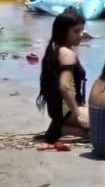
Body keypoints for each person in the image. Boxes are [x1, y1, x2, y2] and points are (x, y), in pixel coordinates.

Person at [36, 11, 88, 143]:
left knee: (100, 128)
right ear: (63, 32)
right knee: (104, 128)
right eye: (76, 31)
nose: (81, 34)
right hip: (66, 110)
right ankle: (62, 129)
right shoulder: (66, 54)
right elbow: (64, 87)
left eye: (82, 30)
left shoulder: (55, 48)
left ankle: (60, 128)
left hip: (57, 110)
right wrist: (78, 115)